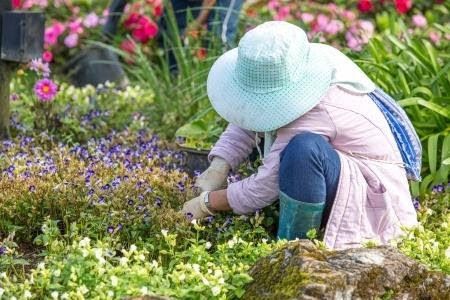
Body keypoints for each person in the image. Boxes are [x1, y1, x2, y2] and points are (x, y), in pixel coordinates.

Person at [181, 21, 422, 250]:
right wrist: (219, 166)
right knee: (293, 149)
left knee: (303, 152)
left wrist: (208, 203)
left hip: (372, 199)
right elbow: (249, 115)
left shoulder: (317, 107)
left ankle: (293, 248)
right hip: (340, 176)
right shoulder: (291, 73)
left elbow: (265, 185)